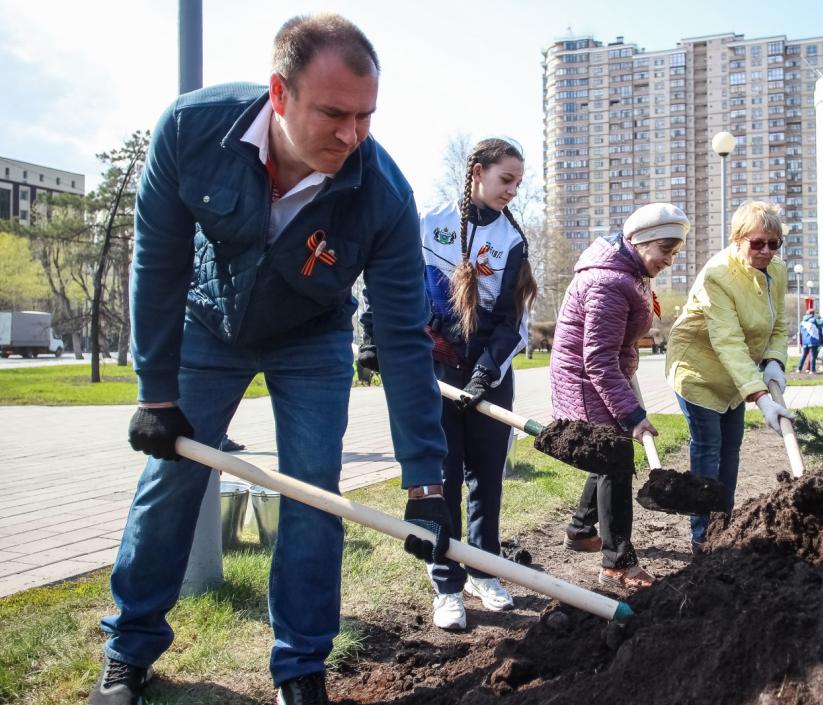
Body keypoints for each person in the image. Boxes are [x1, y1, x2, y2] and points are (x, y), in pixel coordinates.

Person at [91, 15, 453, 705]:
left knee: (312, 490)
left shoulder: (383, 195)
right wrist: (155, 392)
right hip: (209, 321)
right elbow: (158, 264)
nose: (351, 135)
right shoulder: (192, 132)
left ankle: (300, 667)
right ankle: (129, 648)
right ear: (279, 95)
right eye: (334, 113)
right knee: (169, 480)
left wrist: (425, 479)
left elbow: (405, 337)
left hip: (311, 337)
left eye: (366, 116)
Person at [362, 138, 537, 630]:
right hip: (435, 371)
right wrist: (372, 335)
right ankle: (447, 582)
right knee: (445, 476)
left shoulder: (511, 239)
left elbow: (508, 318)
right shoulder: (427, 222)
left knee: (487, 474)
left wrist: (486, 369)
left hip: (488, 372)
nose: (512, 191)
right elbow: (387, 279)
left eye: (518, 183)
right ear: (477, 172)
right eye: (507, 180)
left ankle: (485, 569)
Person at [550, 203, 688, 589]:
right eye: (666, 250)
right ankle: (617, 562)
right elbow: (597, 360)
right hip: (586, 379)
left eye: (675, 252)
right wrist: (631, 415)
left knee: (607, 459)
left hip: (604, 373)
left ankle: (580, 530)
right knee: (616, 460)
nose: (669, 261)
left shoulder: (631, 272)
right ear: (641, 242)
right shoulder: (609, 282)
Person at [666, 200, 796, 555]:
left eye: (774, 243)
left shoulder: (777, 272)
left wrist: (773, 362)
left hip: (738, 378)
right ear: (738, 239)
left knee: (732, 449)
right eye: (758, 243)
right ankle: (703, 537)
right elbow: (728, 341)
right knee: (709, 450)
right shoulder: (717, 275)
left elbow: (779, 325)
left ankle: (724, 525)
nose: (767, 251)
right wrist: (762, 398)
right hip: (700, 372)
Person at [797, 308, 823, 374]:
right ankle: (812, 370)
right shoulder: (814, 320)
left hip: (805, 341)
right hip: (813, 340)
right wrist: (821, 317)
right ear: (813, 314)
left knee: (804, 355)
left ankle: (798, 369)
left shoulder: (802, 322)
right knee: (813, 356)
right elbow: (822, 323)